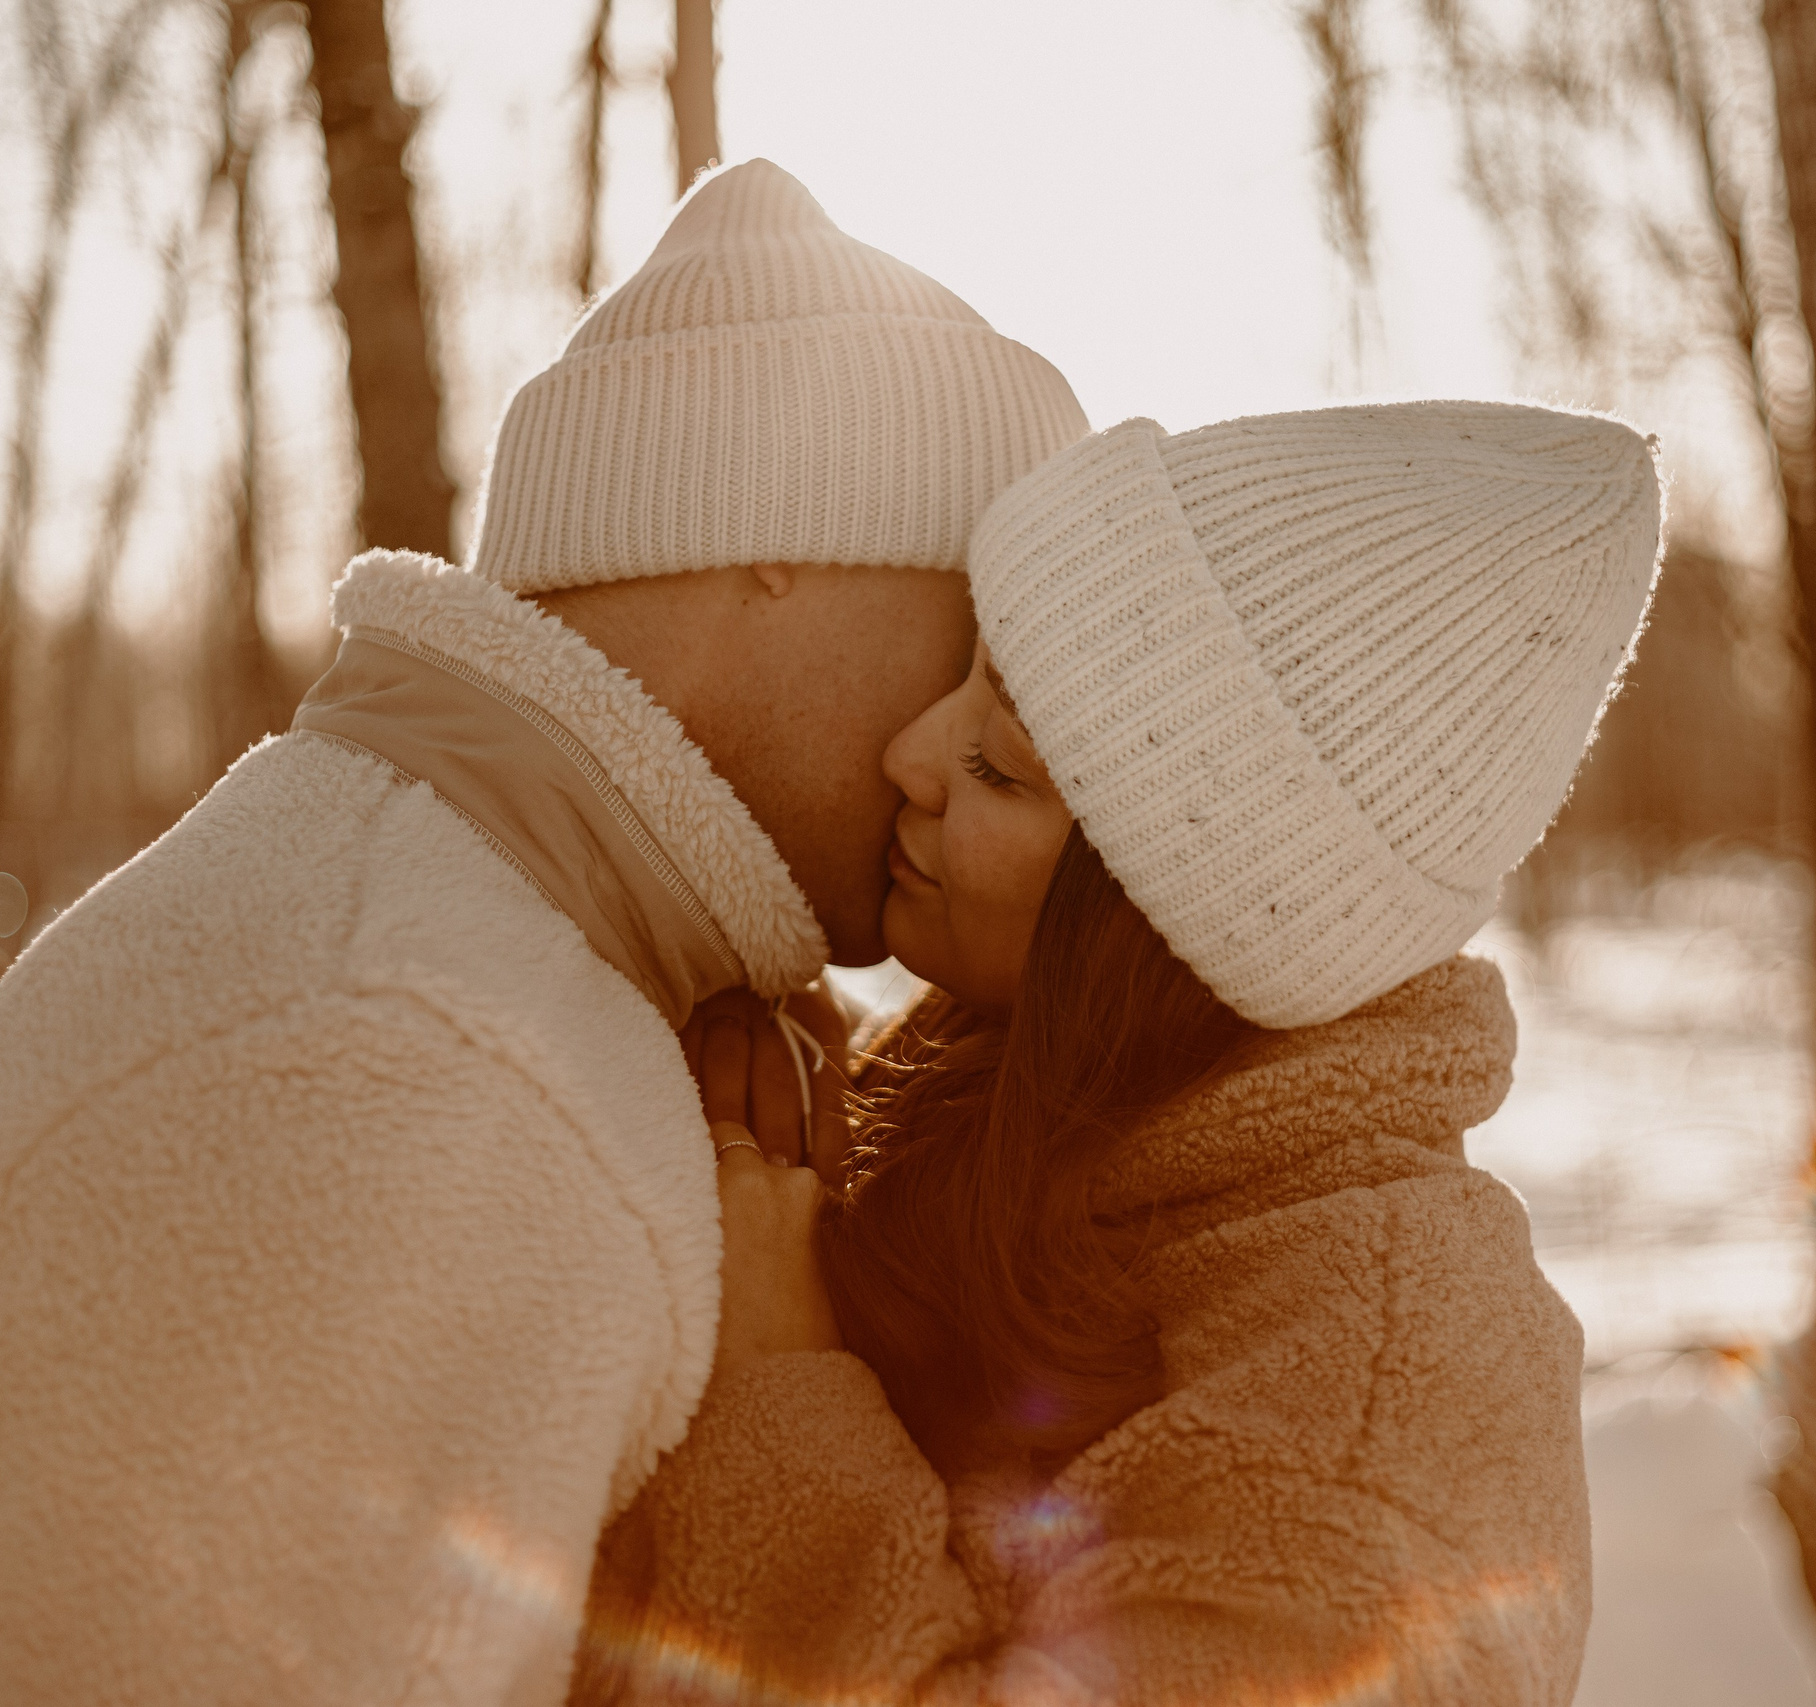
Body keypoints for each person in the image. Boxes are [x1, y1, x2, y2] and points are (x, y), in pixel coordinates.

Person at [0, 160, 1088, 1706]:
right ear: (780, 542)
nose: (963, 733)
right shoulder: (379, 1057)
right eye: (974, 622)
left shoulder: (441, 952)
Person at [576, 401, 1664, 1705]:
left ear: (1165, 915)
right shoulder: (1069, 1111)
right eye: (959, 681)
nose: (908, 756)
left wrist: (776, 1397)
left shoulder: (1380, 1434)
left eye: (998, 765)